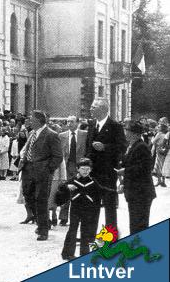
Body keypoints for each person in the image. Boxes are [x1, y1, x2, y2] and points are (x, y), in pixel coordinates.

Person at [19, 110, 63, 241]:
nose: (29, 121)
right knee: (28, 197)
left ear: (38, 120)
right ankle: (43, 222)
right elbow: (28, 149)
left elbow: (58, 156)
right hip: (28, 171)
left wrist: (48, 170)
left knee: (41, 200)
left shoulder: (51, 135)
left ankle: (43, 231)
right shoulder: (32, 133)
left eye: (31, 119)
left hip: (43, 173)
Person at [86, 99, 126, 230]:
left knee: (109, 206)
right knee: (92, 204)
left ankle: (111, 236)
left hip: (108, 172)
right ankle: (90, 235)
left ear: (103, 109)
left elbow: (122, 147)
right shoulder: (92, 125)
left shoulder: (115, 126)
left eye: (94, 107)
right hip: (92, 172)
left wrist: (105, 147)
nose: (90, 109)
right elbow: (88, 148)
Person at [116, 120, 156, 234]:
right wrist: (123, 183)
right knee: (135, 224)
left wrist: (125, 171)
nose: (124, 133)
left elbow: (143, 169)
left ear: (134, 133)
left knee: (139, 225)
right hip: (135, 192)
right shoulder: (132, 146)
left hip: (141, 193)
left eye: (126, 130)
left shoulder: (141, 147)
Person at [61, 158, 102, 260]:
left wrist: (115, 191)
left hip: (88, 210)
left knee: (86, 231)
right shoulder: (74, 180)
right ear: (77, 169)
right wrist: (67, 186)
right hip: (75, 209)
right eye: (83, 169)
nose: (85, 171)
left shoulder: (93, 181)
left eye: (87, 169)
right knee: (72, 230)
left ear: (91, 170)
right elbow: (61, 186)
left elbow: (101, 191)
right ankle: (67, 253)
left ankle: (84, 253)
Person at [57, 115, 88, 226]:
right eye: (68, 122)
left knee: (80, 191)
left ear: (77, 123)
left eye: (72, 121)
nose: (69, 124)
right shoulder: (62, 136)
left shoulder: (84, 135)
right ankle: (63, 217)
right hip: (67, 165)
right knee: (66, 189)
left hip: (80, 167)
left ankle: (79, 216)